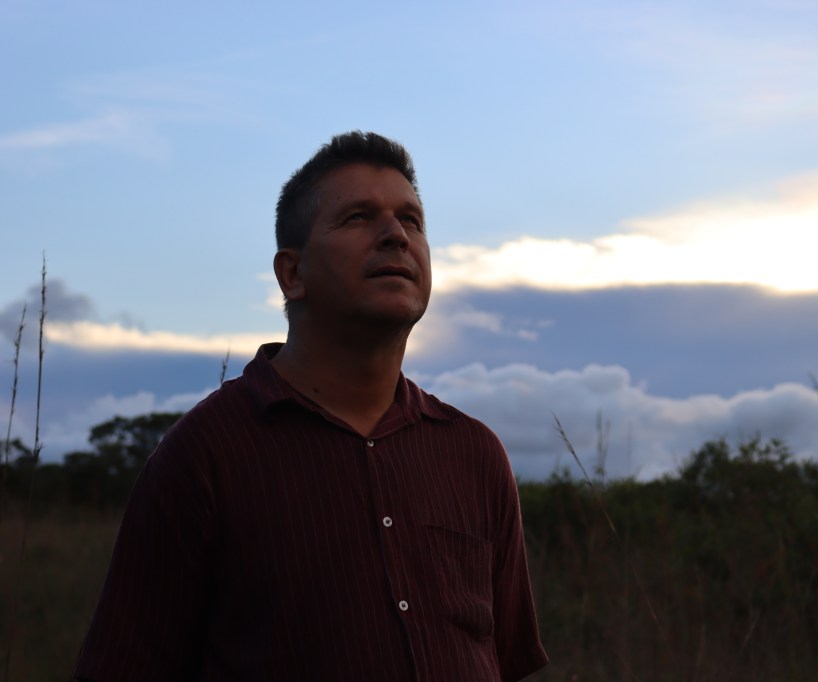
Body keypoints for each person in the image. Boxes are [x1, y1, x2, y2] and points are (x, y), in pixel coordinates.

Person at [74, 132, 548, 681]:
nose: (396, 235)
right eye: (359, 217)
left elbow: (505, 660)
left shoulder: (474, 454)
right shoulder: (205, 455)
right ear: (292, 275)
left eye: (411, 220)